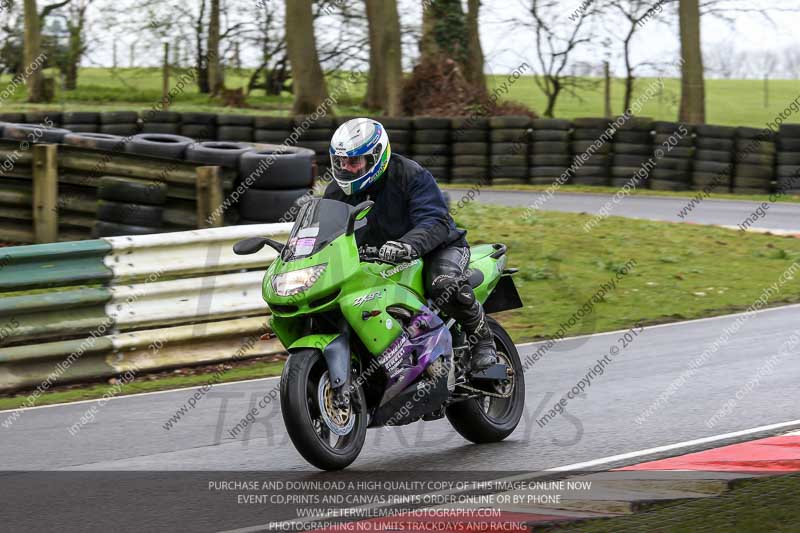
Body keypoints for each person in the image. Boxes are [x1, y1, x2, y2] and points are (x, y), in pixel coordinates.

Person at [323, 117, 496, 371]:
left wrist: (406, 246)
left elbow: (435, 220)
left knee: (443, 284)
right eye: (341, 162)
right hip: (378, 261)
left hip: (438, 248)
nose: (347, 168)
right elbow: (327, 234)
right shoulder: (335, 193)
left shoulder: (410, 175)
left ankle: (484, 342)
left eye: (354, 161)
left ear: (376, 157)